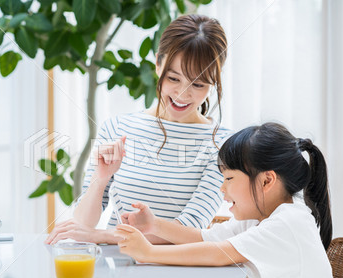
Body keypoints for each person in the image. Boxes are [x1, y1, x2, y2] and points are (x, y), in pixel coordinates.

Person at [46, 14, 231, 245]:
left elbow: (191, 229)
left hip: (181, 273)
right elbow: (84, 223)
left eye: (198, 84)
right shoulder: (117, 127)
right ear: (157, 63)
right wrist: (101, 179)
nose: (183, 94)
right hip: (118, 270)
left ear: (215, 80)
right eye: (173, 78)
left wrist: (102, 236)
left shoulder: (222, 144)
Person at [114, 122, 336, 278]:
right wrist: (155, 225)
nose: (222, 187)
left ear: (267, 180)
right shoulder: (261, 218)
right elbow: (203, 238)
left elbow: (219, 253)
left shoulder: (288, 222)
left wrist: (149, 253)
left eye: (229, 178)